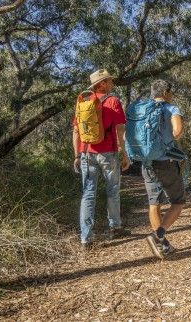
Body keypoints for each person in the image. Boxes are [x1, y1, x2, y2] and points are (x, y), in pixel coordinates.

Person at [73, 69, 131, 249]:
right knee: (112, 191)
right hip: (108, 153)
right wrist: (125, 154)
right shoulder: (113, 101)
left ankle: (86, 238)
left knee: (88, 194)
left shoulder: (83, 101)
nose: (112, 83)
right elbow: (120, 131)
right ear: (102, 84)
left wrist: (77, 155)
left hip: (86, 153)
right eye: (109, 81)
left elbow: (76, 131)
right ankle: (115, 227)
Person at [143, 79, 186, 259]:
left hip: (146, 162)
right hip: (165, 162)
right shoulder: (171, 108)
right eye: (171, 91)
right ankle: (158, 235)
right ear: (166, 92)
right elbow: (177, 132)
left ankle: (163, 246)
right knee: (178, 202)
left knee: (155, 203)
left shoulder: (144, 109)